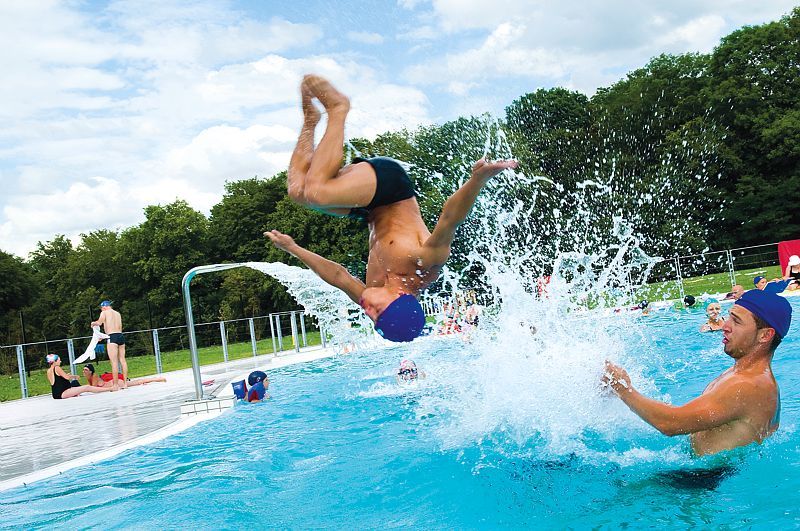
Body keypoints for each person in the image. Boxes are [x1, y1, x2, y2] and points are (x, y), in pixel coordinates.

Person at [265, 74, 517, 343]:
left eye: (372, 317)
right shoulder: (424, 265)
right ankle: (338, 108)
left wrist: (292, 247)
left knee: (298, 191)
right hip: (392, 188)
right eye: (377, 311)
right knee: (317, 192)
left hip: (369, 210)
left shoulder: (374, 292)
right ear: (401, 298)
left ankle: (310, 121)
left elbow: (338, 275)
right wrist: (477, 180)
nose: (367, 309)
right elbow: (450, 218)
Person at [602, 289, 792, 456]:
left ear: (765, 335)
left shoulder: (748, 385)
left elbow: (670, 424)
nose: (725, 326)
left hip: (701, 481)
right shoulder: (741, 375)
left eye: (737, 321)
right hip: (699, 474)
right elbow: (688, 417)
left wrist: (622, 388)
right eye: (729, 316)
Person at [91, 300, 127, 390]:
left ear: (103, 307)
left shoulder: (104, 312)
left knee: (114, 362)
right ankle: (125, 383)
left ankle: (115, 385)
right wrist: (103, 337)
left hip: (112, 337)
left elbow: (99, 322)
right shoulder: (117, 313)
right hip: (120, 336)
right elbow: (118, 327)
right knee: (122, 360)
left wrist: (93, 323)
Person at [46, 354, 110, 399]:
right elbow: (67, 378)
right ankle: (110, 389)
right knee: (86, 387)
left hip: (55, 394)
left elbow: (56, 381)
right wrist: (74, 376)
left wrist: (66, 376)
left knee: (78, 386)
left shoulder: (49, 371)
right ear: (54, 361)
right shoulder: (57, 368)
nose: (60, 361)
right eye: (59, 360)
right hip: (62, 393)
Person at [82, 363, 166, 387]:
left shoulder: (94, 376)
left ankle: (156, 379)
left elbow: (91, 388)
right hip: (116, 382)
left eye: (86, 370)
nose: (83, 371)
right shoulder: (91, 377)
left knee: (136, 383)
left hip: (117, 383)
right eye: (83, 370)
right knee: (136, 382)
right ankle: (156, 379)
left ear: (91, 371)